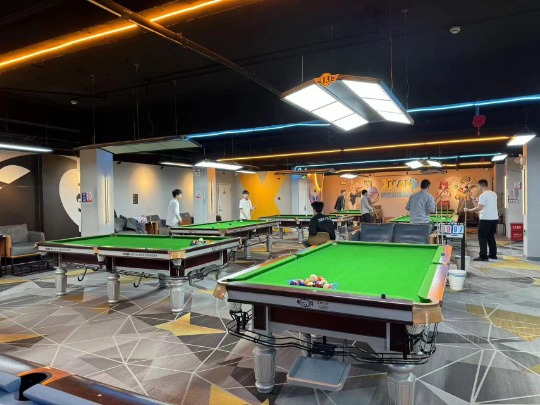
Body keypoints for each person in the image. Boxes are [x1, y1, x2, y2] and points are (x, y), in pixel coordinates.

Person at [464, 179, 499, 261]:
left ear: (479, 186)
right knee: (491, 237)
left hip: (485, 219)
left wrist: (468, 210)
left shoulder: (483, 195)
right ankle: (493, 255)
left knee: (482, 237)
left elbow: (479, 208)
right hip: (494, 218)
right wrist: (475, 200)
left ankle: (483, 256)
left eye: (478, 186)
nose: (478, 188)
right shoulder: (493, 194)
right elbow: (487, 204)